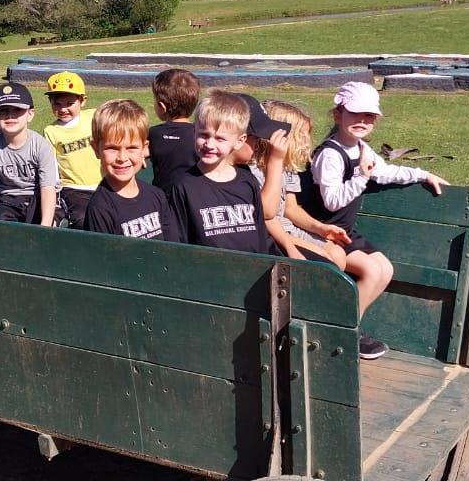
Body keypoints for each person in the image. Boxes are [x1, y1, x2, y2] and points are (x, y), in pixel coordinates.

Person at [299, 81, 449, 361]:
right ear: (338, 114)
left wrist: (422, 174)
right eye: (355, 114)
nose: (362, 121)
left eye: (368, 116)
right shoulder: (330, 154)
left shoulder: (362, 149)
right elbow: (332, 201)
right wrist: (361, 177)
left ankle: (348, 327)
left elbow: (387, 171)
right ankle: (342, 331)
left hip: (344, 232)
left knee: (385, 269)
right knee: (370, 270)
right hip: (321, 232)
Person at [167, 90, 273, 254]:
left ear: (239, 141)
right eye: (204, 135)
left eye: (220, 138)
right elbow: (178, 245)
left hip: (250, 267)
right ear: (194, 132)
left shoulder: (248, 182)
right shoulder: (182, 186)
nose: (209, 144)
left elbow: (260, 237)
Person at [250, 100, 351, 264]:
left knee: (337, 254)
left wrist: (320, 228)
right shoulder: (254, 171)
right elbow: (266, 218)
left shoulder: (286, 166)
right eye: (301, 136)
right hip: (269, 233)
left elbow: (291, 208)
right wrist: (292, 245)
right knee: (325, 261)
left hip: (288, 228)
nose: (306, 143)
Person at [83, 99, 178, 241]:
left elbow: (173, 246)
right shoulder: (100, 209)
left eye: (131, 148)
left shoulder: (157, 196)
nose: (122, 158)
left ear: (144, 148)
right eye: (112, 148)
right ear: (96, 149)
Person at [0, 83, 60, 226]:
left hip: (38, 197)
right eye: (3, 111)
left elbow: (48, 189)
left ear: (30, 114)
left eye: (17, 110)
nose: (10, 116)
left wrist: (45, 226)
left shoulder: (41, 146)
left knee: (45, 221)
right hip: (8, 200)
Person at [42, 71, 99, 228]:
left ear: (82, 100)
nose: (63, 109)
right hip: (74, 188)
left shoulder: (94, 117)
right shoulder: (51, 131)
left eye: (69, 103)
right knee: (82, 218)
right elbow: (52, 165)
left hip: (103, 183)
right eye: (57, 104)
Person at [147, 68, 200, 193]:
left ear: (162, 107)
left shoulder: (153, 134)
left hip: (161, 198)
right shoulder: (201, 135)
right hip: (194, 197)